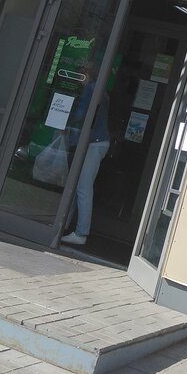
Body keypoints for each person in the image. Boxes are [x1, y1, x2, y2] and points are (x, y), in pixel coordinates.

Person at [61, 78, 113, 247]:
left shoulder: (91, 88)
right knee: (78, 186)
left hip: (93, 142)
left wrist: (65, 122)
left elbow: (81, 114)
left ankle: (81, 233)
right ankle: (64, 224)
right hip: (97, 142)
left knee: (83, 187)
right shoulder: (101, 89)